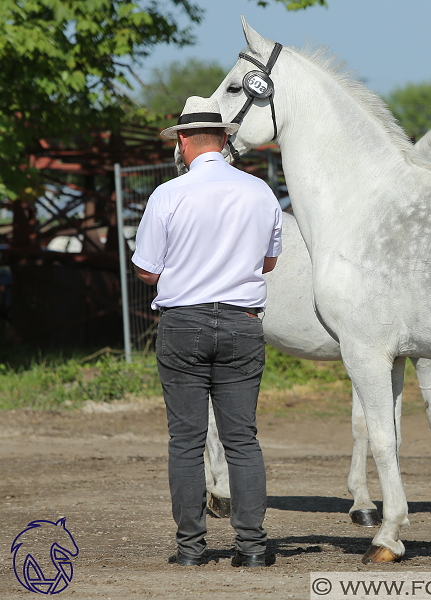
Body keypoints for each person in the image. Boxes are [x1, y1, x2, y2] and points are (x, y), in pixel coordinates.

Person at [132, 96, 283, 568]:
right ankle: (253, 547)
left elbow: (147, 270)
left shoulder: (168, 194)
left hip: (184, 323)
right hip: (241, 323)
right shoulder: (259, 191)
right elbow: (269, 262)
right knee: (242, 439)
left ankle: (191, 548)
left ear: (181, 141)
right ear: (225, 138)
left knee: (186, 440)